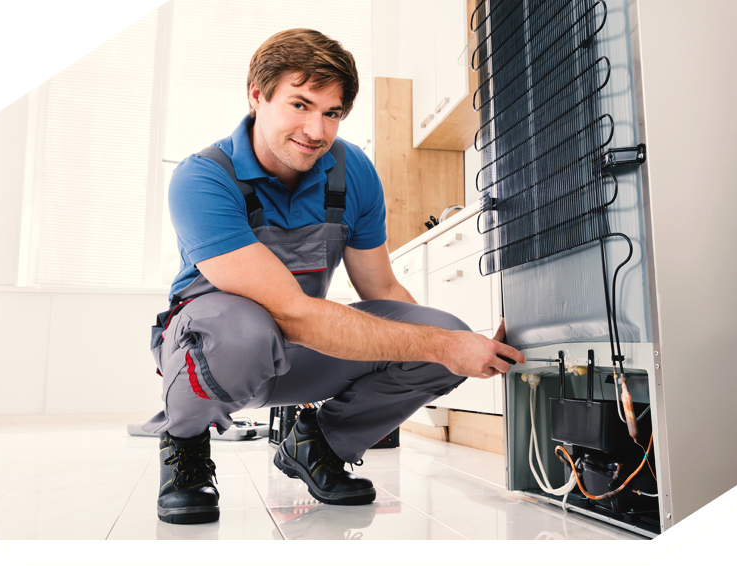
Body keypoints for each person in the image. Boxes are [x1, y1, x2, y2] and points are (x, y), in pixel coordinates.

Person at [142, 28, 524, 525]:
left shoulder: (351, 172)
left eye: (332, 113)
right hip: (218, 349)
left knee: (443, 333)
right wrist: (441, 346)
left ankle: (318, 442)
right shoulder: (203, 178)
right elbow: (290, 312)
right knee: (243, 331)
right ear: (258, 96)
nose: (316, 131)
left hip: (297, 349)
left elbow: (383, 290)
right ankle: (186, 445)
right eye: (300, 105)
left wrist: (446, 352)